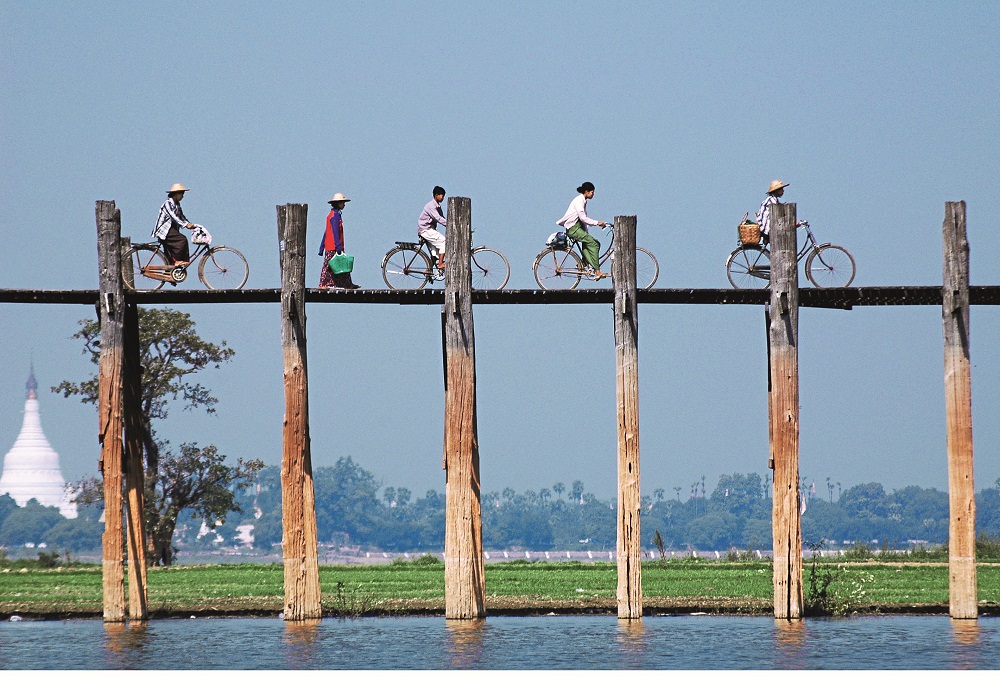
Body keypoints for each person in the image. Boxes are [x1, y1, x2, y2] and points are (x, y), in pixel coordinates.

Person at [556, 182, 608, 280]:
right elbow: (583, 218)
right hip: (573, 229)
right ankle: (597, 271)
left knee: (593, 243)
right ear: (586, 192)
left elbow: (583, 221)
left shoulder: (583, 200)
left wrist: (587, 232)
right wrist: (597, 223)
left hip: (577, 228)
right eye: (592, 192)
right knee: (594, 244)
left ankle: (583, 264)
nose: (593, 194)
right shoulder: (579, 201)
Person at [318, 192, 360, 289]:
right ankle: (323, 284)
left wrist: (322, 247)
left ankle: (347, 284)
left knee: (342, 265)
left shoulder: (334, 214)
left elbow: (326, 232)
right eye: (342, 203)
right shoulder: (334, 216)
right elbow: (334, 232)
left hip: (335, 245)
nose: (344, 205)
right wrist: (338, 246)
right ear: (337, 203)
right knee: (328, 266)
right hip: (333, 246)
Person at [153, 183, 196, 266]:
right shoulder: (167, 204)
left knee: (170, 253)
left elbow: (181, 216)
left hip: (171, 229)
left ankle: (173, 266)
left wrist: (190, 224)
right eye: (182, 194)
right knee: (182, 240)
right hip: (164, 230)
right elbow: (174, 217)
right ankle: (177, 261)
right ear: (176, 194)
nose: (183, 196)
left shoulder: (177, 205)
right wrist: (185, 225)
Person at [756, 179, 806, 246]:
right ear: (776, 190)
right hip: (768, 228)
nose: (783, 191)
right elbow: (779, 215)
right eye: (781, 189)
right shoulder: (771, 200)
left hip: (771, 226)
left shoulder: (774, 200)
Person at [417, 186, 447, 275]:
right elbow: (438, 218)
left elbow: (442, 218)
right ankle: (441, 264)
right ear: (436, 195)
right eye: (441, 195)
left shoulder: (437, 206)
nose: (443, 197)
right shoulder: (431, 206)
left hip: (429, 229)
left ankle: (429, 269)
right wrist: (451, 225)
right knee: (444, 242)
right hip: (425, 229)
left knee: (435, 252)